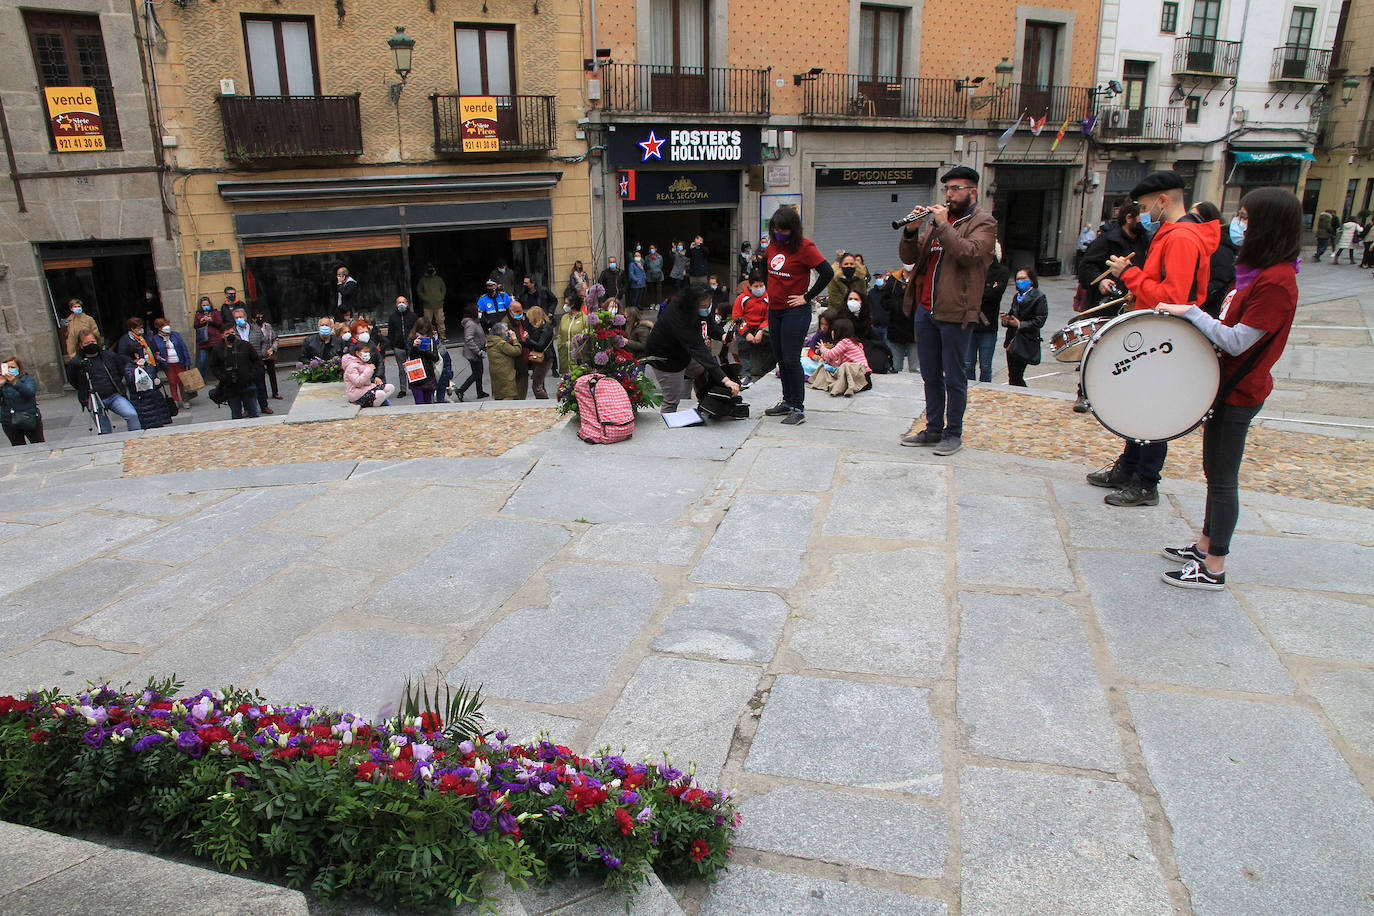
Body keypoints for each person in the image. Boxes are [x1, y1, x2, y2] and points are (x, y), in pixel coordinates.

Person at [1154, 187, 1301, 590]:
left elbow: (1237, 341)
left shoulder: (1276, 282)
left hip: (1240, 392)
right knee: (1213, 473)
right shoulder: (1264, 274)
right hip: (1229, 388)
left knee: (1222, 479)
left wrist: (1191, 312)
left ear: (1267, 226)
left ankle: (1213, 566)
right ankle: (1204, 546)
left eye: (1249, 218)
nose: (1241, 225)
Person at [1096, 169, 1218, 507]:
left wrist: (1130, 275)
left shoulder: (1180, 238)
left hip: (1165, 332)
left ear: (1163, 201)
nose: (1145, 211)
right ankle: (1129, 467)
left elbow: (1174, 297)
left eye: (1147, 204)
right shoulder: (1172, 233)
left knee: (1153, 407)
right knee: (1139, 402)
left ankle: (1146, 482)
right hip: (1157, 329)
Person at [897, 165, 998, 456]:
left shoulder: (984, 222)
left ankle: (953, 433)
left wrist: (943, 225)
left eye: (956, 189)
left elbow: (969, 254)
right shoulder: (938, 222)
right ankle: (932, 428)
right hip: (926, 309)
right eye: (947, 189)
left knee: (954, 376)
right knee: (930, 374)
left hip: (956, 311)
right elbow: (910, 257)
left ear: (972, 191)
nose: (950, 195)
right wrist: (911, 231)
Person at [762, 207, 833, 425]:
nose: (779, 234)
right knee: (781, 357)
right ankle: (787, 400)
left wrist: (808, 296)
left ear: (793, 230)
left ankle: (798, 407)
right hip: (775, 309)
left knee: (792, 358)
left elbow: (827, 272)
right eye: (776, 230)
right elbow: (767, 271)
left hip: (795, 310)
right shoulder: (773, 245)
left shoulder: (805, 247)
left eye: (783, 231)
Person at [643, 285, 739, 414]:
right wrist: (726, 379)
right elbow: (699, 350)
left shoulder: (704, 307)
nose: (708, 308)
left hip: (685, 351)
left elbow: (709, 323)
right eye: (704, 306)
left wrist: (721, 335)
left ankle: (707, 404)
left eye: (709, 304)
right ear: (692, 305)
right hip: (665, 358)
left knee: (702, 371)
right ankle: (667, 425)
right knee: (672, 397)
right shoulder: (678, 316)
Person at [67, 331, 139, 434]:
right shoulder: (76, 362)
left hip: (113, 395)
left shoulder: (109, 356)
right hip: (94, 399)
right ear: (81, 345)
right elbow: (73, 380)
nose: (91, 345)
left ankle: (135, 437)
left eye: (93, 341)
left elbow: (119, 371)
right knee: (105, 430)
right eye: (87, 343)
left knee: (131, 414)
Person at [966, 243, 1010, 383]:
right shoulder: (971, 269)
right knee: (967, 364)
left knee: (985, 366)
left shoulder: (1001, 271)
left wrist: (977, 292)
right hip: (969, 324)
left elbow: (995, 294)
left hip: (988, 326)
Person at [1001, 266, 1048, 386]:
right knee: (1012, 374)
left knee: (1016, 375)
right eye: (1018, 279)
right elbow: (1013, 314)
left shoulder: (1039, 297)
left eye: (1023, 278)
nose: (1020, 281)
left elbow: (1040, 320)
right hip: (1012, 340)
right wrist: (1006, 320)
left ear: (1031, 280)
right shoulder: (1017, 297)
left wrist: (1020, 324)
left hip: (1025, 340)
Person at [1195, 201, 1239, 318]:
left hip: (1210, 312)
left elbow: (1219, 281)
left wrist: (1198, 295)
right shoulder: (1206, 244)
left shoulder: (1219, 248)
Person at [808, 316, 871, 396]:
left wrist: (822, 348)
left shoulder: (844, 342)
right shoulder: (853, 342)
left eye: (833, 330)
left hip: (858, 374)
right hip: (865, 374)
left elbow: (830, 354)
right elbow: (839, 362)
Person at [228, 307, 274, 415]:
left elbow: (265, 341)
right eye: (236, 317)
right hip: (242, 364)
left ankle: (264, 406)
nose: (239, 319)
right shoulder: (233, 332)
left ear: (245, 317)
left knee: (260, 385)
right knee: (244, 387)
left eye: (241, 317)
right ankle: (248, 409)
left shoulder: (255, 328)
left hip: (256, 361)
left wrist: (262, 354)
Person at [210, 324, 261, 420]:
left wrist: (251, 375)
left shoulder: (245, 345)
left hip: (247, 384)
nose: (231, 335)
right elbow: (213, 366)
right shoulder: (217, 349)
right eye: (227, 334)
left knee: (253, 412)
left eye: (232, 332)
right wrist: (222, 377)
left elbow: (256, 361)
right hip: (230, 387)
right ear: (222, 335)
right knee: (236, 414)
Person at [732, 271, 769, 386]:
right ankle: (745, 374)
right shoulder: (742, 299)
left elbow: (768, 318)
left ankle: (767, 372)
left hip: (760, 328)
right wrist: (746, 333)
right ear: (750, 286)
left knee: (770, 342)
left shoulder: (767, 299)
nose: (759, 288)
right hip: (745, 327)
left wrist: (760, 331)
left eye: (761, 286)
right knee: (743, 344)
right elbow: (737, 318)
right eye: (756, 286)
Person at [125, 347, 173, 429]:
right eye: (145, 353)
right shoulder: (129, 367)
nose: (147, 355)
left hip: (155, 402)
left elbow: (154, 377)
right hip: (142, 403)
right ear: (136, 355)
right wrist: (139, 368)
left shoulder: (149, 365)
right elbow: (131, 381)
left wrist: (158, 382)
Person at [150, 318, 193, 409]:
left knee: (182, 381)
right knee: (172, 381)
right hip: (168, 364)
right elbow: (154, 352)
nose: (167, 327)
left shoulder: (175, 335)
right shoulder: (155, 339)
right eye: (164, 326)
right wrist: (159, 358)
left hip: (179, 362)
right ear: (159, 328)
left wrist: (187, 361)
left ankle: (185, 400)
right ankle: (175, 400)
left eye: (167, 325)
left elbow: (183, 347)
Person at [1, 356, 44, 446]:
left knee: (38, 445)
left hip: (29, 418)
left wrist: (15, 383)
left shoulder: (26, 380)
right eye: (7, 368)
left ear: (19, 369)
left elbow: (30, 392)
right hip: (9, 421)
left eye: (12, 367)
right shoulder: (3, 383)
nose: (10, 370)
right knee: (17, 446)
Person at [342, 338, 394, 408]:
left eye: (368, 352)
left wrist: (376, 378)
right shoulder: (352, 366)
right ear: (357, 353)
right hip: (356, 394)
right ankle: (374, 407)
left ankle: (378, 402)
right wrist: (369, 370)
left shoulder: (364, 363)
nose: (367, 354)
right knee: (380, 394)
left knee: (390, 388)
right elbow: (358, 383)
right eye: (365, 352)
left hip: (367, 388)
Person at [455, 302, 489, 401]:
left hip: (479, 350)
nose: (480, 312)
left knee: (479, 372)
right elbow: (468, 339)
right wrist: (477, 351)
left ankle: (480, 391)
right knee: (476, 373)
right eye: (478, 311)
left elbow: (481, 334)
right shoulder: (470, 324)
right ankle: (461, 390)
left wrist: (485, 342)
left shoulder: (476, 321)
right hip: (473, 353)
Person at [385, 295, 417, 397]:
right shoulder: (393, 317)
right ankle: (403, 389)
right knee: (401, 369)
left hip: (412, 346)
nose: (401, 304)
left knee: (414, 367)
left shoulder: (413, 316)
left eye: (403, 302)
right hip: (399, 347)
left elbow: (417, 330)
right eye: (399, 302)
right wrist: (393, 345)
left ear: (407, 304)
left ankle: (415, 387)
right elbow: (391, 332)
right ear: (396, 304)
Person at [486, 321, 527, 400]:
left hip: (497, 374)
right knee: (508, 396)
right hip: (506, 374)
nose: (509, 332)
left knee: (500, 395)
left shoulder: (492, 341)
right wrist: (515, 339)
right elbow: (517, 351)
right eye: (506, 330)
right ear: (500, 333)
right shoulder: (501, 343)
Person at [405, 317, 440, 404]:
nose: (423, 331)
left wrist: (425, 351)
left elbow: (436, 358)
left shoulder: (431, 340)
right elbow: (409, 355)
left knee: (428, 402)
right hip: (416, 374)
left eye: (425, 329)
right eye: (421, 329)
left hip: (428, 373)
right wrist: (414, 347)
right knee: (419, 402)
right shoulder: (411, 339)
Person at [525, 306, 554, 399]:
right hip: (542, 358)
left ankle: (547, 404)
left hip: (544, 358)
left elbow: (540, 345)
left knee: (537, 387)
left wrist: (528, 339)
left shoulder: (545, 328)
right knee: (540, 384)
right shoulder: (539, 327)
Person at [556, 293, 589, 373]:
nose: (564, 306)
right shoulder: (564, 318)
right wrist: (561, 346)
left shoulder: (584, 319)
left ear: (573, 304)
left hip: (578, 357)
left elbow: (586, 337)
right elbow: (560, 334)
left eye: (567, 304)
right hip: (564, 356)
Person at [253, 311, 282, 400]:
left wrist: (273, 349)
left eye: (262, 317)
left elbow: (275, 339)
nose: (260, 319)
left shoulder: (268, 327)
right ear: (254, 319)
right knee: (261, 376)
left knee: (272, 374)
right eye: (258, 318)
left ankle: (275, 392)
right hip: (259, 355)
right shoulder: (252, 328)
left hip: (269, 354)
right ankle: (264, 394)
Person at [416, 263, 447, 339]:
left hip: (438, 304)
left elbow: (443, 289)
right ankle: (428, 334)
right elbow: (419, 291)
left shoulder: (438, 279)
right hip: (427, 305)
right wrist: (425, 299)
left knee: (440, 320)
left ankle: (442, 334)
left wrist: (441, 297)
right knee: (427, 321)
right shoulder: (423, 280)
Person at [193, 296, 222, 374]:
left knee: (217, 360)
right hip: (204, 341)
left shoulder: (215, 312)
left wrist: (211, 320)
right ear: (201, 306)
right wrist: (201, 322)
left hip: (215, 340)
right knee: (202, 361)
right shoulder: (198, 314)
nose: (206, 306)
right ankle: (202, 378)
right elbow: (195, 326)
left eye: (207, 304)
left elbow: (220, 323)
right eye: (204, 305)